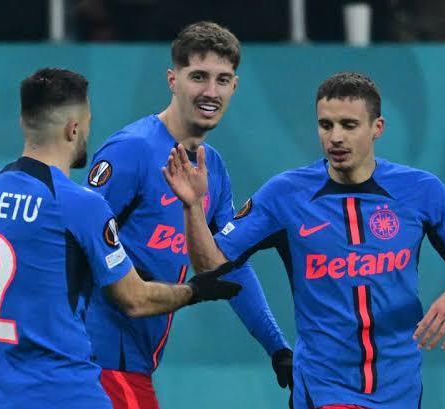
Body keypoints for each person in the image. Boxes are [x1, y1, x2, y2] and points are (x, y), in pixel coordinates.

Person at [163, 71, 445, 409]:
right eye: (326, 125)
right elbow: (210, 265)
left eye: (349, 125)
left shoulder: (422, 190)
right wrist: (193, 207)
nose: (335, 137)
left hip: (401, 389)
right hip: (326, 389)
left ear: (377, 127)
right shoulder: (285, 194)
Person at [0, 67, 242, 409]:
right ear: (73, 128)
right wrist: (195, 291)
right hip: (70, 395)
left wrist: (23, 345)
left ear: (24, 123)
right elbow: (135, 299)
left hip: (1, 398)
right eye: (88, 121)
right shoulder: (80, 204)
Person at [84, 21, 293, 409]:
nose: (211, 92)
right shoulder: (132, 150)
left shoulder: (213, 168)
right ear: (172, 80)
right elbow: (73, 243)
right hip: (97, 363)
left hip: (134, 363)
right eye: (198, 77)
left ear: (235, 86)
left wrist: (278, 348)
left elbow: (227, 266)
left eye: (222, 80)